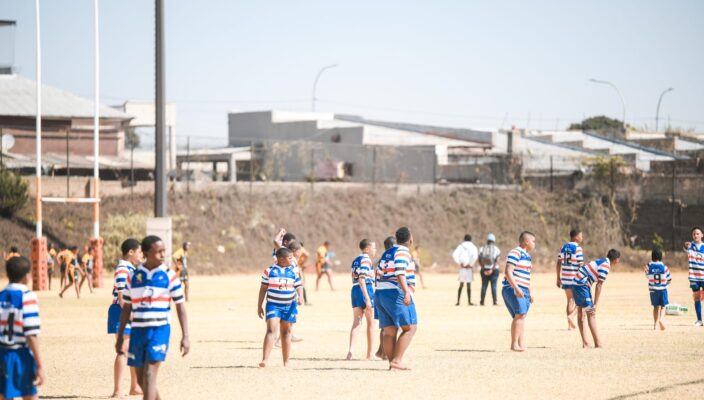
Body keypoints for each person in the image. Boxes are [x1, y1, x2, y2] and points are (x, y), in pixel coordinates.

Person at [116, 235, 189, 400]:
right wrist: (120, 336)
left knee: (149, 375)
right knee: (142, 380)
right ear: (146, 253)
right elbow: (126, 308)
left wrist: (185, 336)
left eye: (164, 251)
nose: (163, 255)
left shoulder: (169, 276)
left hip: (159, 331)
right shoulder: (134, 277)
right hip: (137, 332)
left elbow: (181, 307)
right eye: (158, 252)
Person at [0, 256, 44, 399]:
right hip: (20, 355)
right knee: (29, 395)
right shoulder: (27, 296)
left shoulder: (1, 296)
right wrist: (40, 365)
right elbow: (31, 334)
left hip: (1, 355)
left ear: (8, 274)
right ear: (27, 276)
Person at [374, 227, 417, 370]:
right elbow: (400, 272)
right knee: (410, 328)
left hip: (380, 292)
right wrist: (406, 292)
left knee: (389, 331)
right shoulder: (403, 252)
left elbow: (378, 274)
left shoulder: (387, 252)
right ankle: (397, 361)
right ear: (410, 239)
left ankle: (392, 364)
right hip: (396, 292)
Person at [108, 239, 143, 398]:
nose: (141, 255)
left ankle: (134, 387)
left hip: (130, 311)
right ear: (131, 252)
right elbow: (122, 298)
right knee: (123, 349)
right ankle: (117, 391)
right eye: (139, 252)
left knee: (133, 350)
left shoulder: (131, 268)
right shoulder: (123, 269)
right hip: (122, 312)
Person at [257, 247, 303, 367]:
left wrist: (301, 296)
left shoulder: (293, 271)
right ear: (281, 259)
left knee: (286, 332)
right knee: (271, 330)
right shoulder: (269, 271)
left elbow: (299, 285)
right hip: (273, 305)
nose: (292, 260)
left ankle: (286, 362)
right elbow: (263, 289)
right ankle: (265, 360)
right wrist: (259, 306)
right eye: (290, 258)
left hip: (289, 306)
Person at [572, 249, 621, 348]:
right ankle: (597, 344)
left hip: (576, 282)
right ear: (616, 259)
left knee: (581, 313)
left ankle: (586, 343)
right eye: (619, 259)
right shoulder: (605, 266)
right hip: (582, 285)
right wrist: (595, 304)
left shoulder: (601, 261)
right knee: (591, 313)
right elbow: (599, 285)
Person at [501, 231, 536, 352]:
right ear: (526, 241)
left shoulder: (527, 256)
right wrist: (516, 288)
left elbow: (526, 276)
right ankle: (514, 344)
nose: (534, 244)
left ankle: (521, 344)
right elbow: (508, 271)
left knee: (522, 316)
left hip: (524, 289)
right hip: (512, 288)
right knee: (520, 314)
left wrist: (529, 292)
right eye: (533, 241)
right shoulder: (515, 252)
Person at [346, 239, 377, 360]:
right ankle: (370, 354)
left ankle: (351, 351)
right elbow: (362, 278)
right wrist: (367, 298)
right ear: (367, 249)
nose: (375, 250)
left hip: (355, 290)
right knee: (371, 323)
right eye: (374, 248)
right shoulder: (366, 260)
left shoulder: (356, 260)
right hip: (365, 289)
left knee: (356, 322)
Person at [556, 229, 584, 330]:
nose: (582, 238)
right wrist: (582, 278)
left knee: (570, 301)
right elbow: (581, 265)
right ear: (576, 237)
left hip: (565, 277)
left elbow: (559, 263)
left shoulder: (563, 247)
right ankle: (571, 317)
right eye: (581, 236)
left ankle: (569, 326)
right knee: (583, 301)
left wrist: (558, 278)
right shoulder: (578, 248)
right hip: (575, 278)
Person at [374, 236, 396, 360]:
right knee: (389, 326)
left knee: (384, 325)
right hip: (389, 293)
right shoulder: (393, 258)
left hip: (379, 292)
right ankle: (384, 352)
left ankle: (381, 351)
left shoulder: (381, 259)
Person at [644, 248, 671, 331]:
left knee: (655, 307)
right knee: (663, 306)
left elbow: (647, 276)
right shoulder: (664, 267)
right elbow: (669, 279)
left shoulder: (648, 266)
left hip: (653, 289)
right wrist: (666, 283)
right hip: (662, 289)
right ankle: (661, 320)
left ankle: (655, 324)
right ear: (661, 256)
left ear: (652, 256)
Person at [684, 226, 704, 326]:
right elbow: (685, 246)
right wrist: (687, 245)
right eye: (694, 234)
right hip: (694, 278)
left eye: (697, 233)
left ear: (702, 235)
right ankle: (699, 320)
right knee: (697, 298)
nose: (695, 235)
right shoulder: (690, 246)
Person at [452, 234, 478, 305]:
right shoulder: (473, 247)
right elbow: (475, 256)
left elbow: (454, 255)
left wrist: (459, 263)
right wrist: (471, 264)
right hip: (469, 268)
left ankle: (458, 302)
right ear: (471, 239)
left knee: (461, 284)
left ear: (464, 239)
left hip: (462, 267)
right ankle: (469, 301)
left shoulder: (461, 246)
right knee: (469, 284)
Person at [479, 233, 501, 306]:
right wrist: (492, 269)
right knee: (494, 286)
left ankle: (482, 302)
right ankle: (495, 302)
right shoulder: (496, 249)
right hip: (494, 270)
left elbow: (479, 260)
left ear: (487, 240)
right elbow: (497, 261)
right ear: (494, 241)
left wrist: (484, 269)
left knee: (484, 286)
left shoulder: (482, 248)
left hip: (484, 269)